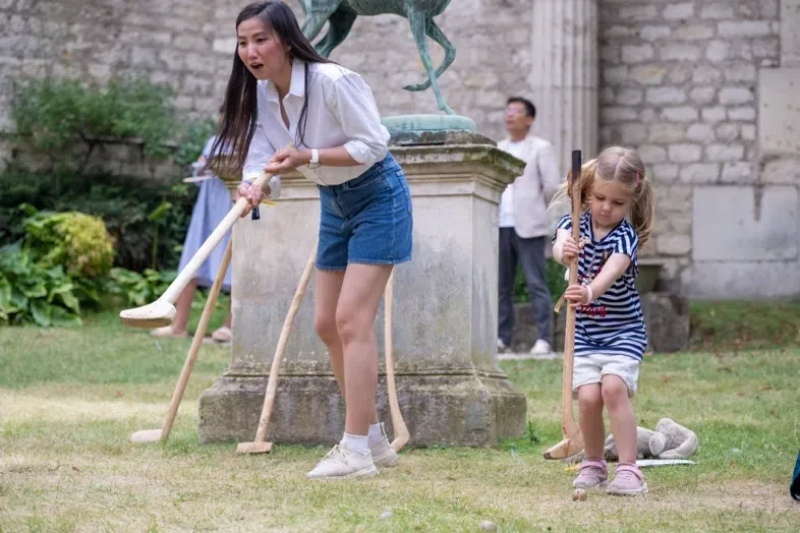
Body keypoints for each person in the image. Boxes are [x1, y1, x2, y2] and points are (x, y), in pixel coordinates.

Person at [209, 1, 413, 480]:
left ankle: (355, 450)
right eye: (243, 42)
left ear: (286, 39)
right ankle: (375, 438)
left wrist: (308, 155)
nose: (251, 51)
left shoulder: (333, 81)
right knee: (326, 324)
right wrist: (254, 183)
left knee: (350, 320)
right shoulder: (262, 94)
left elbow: (373, 144)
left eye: (260, 40)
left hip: (379, 196)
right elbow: (264, 158)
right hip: (335, 203)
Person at [550, 145, 654, 496]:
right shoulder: (573, 223)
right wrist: (563, 250)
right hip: (585, 334)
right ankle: (593, 463)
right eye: (600, 198)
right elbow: (559, 243)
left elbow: (613, 270)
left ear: (631, 202)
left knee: (612, 389)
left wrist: (590, 291)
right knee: (590, 398)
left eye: (618, 202)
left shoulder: (625, 237)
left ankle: (629, 469)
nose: (607, 208)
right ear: (587, 192)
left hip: (623, 332)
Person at [151, 129, 233, 342]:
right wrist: (205, 165)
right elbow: (199, 172)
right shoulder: (215, 141)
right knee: (192, 264)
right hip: (207, 210)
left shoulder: (255, 140)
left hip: (233, 206)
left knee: (236, 264)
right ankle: (179, 326)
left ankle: (230, 327)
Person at [496, 97, 561, 356]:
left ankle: (544, 338)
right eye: (508, 110)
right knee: (503, 285)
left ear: (529, 119)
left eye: (517, 111)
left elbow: (551, 187)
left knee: (536, 283)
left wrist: (542, 215)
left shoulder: (540, 148)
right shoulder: (499, 148)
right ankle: (502, 338)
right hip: (501, 224)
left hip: (530, 224)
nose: (510, 115)